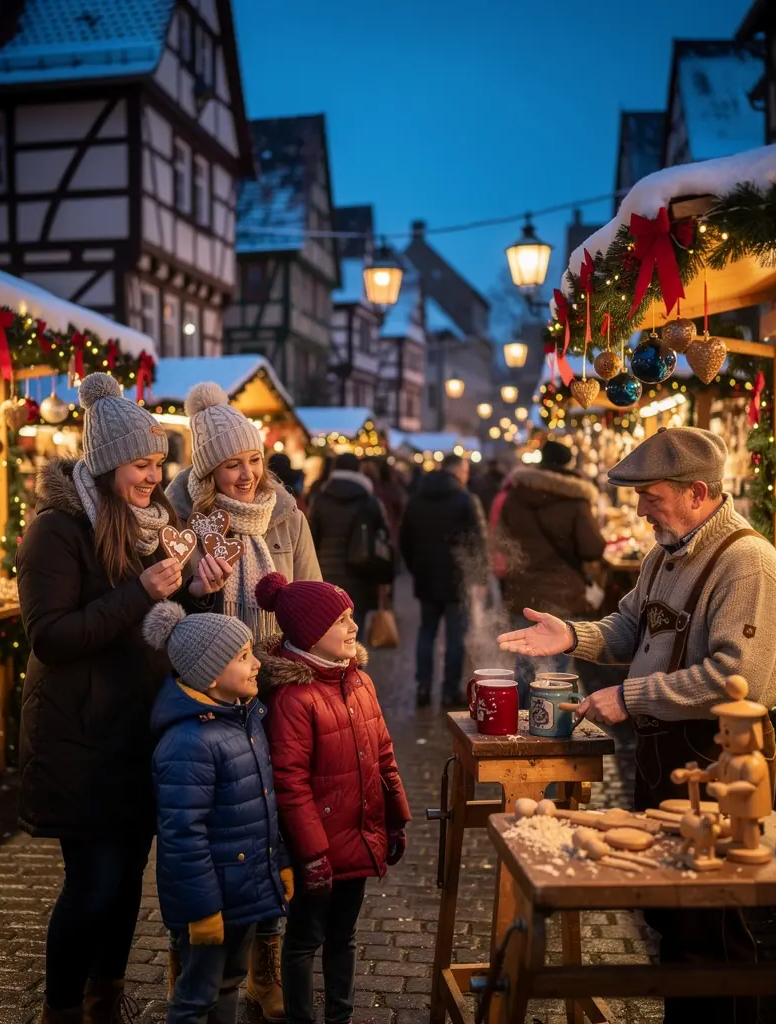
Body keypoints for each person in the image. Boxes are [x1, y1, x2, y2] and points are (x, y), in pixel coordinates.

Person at [498, 426, 776, 1024]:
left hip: (718, 761)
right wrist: (574, 635)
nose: (640, 509)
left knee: (714, 919)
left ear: (697, 492)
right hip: (666, 757)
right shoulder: (664, 554)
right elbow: (630, 629)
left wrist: (632, 696)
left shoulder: (748, 565)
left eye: (651, 497)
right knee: (674, 914)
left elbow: (745, 680)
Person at [18, 373, 225, 1024]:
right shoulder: (56, 530)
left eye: (158, 463)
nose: (153, 477)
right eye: (142, 464)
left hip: (141, 732)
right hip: (78, 738)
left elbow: (166, 621)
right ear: (108, 466)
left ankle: (105, 994)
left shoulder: (151, 522)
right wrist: (142, 592)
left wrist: (202, 591)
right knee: (92, 884)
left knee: (129, 877)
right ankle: (61, 1008)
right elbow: (51, 637)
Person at [166, 380, 320, 1020]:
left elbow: (312, 598)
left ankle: (264, 966)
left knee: (271, 831)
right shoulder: (183, 520)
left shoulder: (287, 514)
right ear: (208, 469)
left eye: (255, 459)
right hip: (207, 694)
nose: (250, 474)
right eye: (234, 464)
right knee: (206, 832)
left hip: (275, 689)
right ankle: (191, 966)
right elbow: (165, 613)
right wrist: (201, 592)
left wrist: (305, 660)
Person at [254, 572, 411, 1024]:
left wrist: (395, 818)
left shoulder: (359, 682)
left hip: (358, 837)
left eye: (350, 617)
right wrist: (313, 854)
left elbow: (383, 753)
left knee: (344, 936)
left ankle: (340, 1016)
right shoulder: (293, 699)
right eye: (341, 620)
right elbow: (290, 783)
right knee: (305, 938)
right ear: (309, 633)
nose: (353, 627)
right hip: (317, 851)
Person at [143, 602, 293, 1024]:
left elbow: (264, 805)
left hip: (245, 890)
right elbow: (182, 836)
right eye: (243, 657)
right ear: (211, 674)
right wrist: (202, 910)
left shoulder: (245, 721)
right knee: (196, 995)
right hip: (210, 902)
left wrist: (279, 863)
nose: (256, 663)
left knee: (229, 980)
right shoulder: (188, 743)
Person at [495, 440, 606, 704]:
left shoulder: (516, 495)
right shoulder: (575, 499)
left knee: (524, 664)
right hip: (562, 593)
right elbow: (593, 548)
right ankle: (551, 730)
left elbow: (502, 541)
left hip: (521, 593)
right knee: (556, 669)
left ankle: (519, 726)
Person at [399, 453, 488, 708]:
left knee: (426, 632)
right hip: (456, 579)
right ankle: (450, 690)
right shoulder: (465, 500)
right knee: (455, 636)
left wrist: (415, 567)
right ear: (458, 471)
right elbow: (478, 542)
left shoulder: (416, 499)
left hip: (425, 576)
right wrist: (480, 578)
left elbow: (404, 539)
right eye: (466, 471)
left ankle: (423, 686)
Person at [308, 452, 391, 638]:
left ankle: (330, 666)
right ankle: (353, 667)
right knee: (354, 629)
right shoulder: (370, 501)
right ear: (358, 469)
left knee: (326, 631)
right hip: (360, 574)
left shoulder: (320, 499)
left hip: (325, 574)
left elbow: (310, 539)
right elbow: (382, 540)